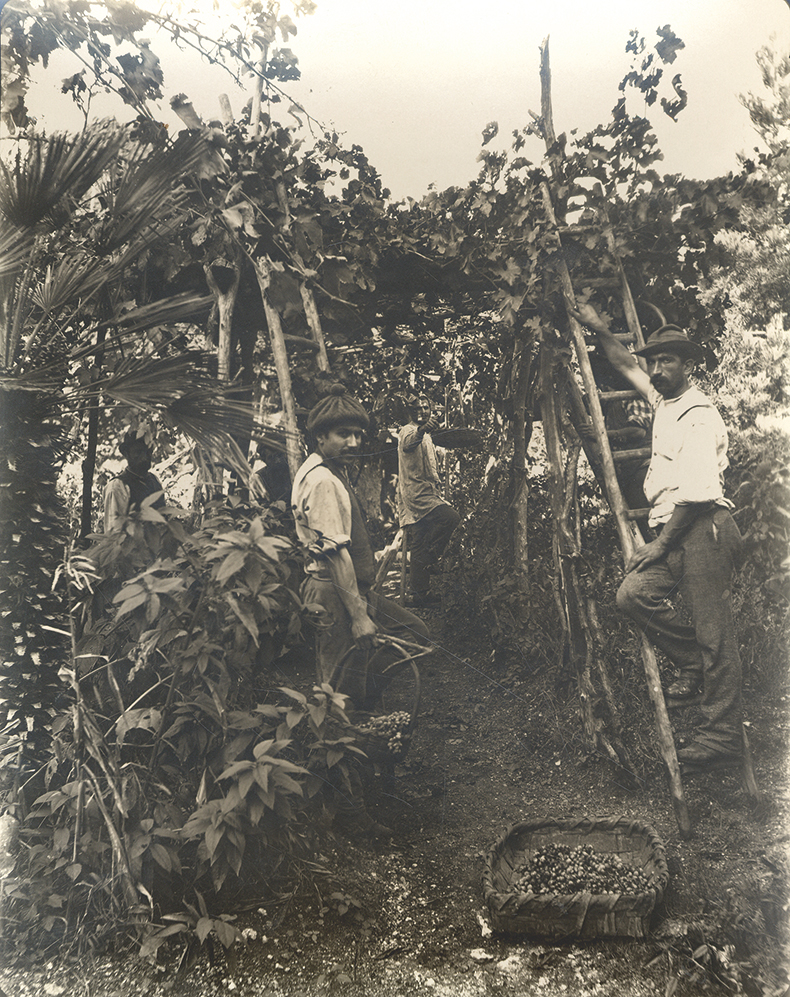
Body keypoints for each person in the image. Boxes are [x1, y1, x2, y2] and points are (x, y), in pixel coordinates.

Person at [571, 302, 745, 768]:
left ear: (688, 364)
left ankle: (722, 735)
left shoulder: (698, 414)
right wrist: (599, 327)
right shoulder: (663, 400)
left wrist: (660, 545)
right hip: (677, 530)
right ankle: (693, 665)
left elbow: (696, 494)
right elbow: (625, 362)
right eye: (655, 360)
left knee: (715, 635)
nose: (658, 368)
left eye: (668, 360)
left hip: (703, 529)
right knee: (632, 595)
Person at [291, 385, 430, 710]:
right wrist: (358, 617)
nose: (353, 442)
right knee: (340, 686)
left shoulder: (326, 469)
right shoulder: (324, 481)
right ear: (321, 437)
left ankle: (364, 714)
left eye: (357, 434)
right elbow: (335, 553)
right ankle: (341, 743)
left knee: (413, 632)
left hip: (346, 588)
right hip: (333, 591)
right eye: (343, 434)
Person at [397, 394, 461, 607]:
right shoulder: (408, 430)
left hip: (427, 491)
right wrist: (422, 430)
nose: (423, 411)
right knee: (450, 517)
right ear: (411, 412)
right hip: (416, 494)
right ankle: (432, 559)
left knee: (420, 540)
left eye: (426, 408)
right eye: (418, 408)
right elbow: (408, 444)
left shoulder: (428, 436)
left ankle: (420, 595)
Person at [103, 430, 165, 533]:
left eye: (148, 452)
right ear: (127, 454)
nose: (145, 458)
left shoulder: (154, 481)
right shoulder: (118, 487)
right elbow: (114, 533)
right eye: (138, 452)